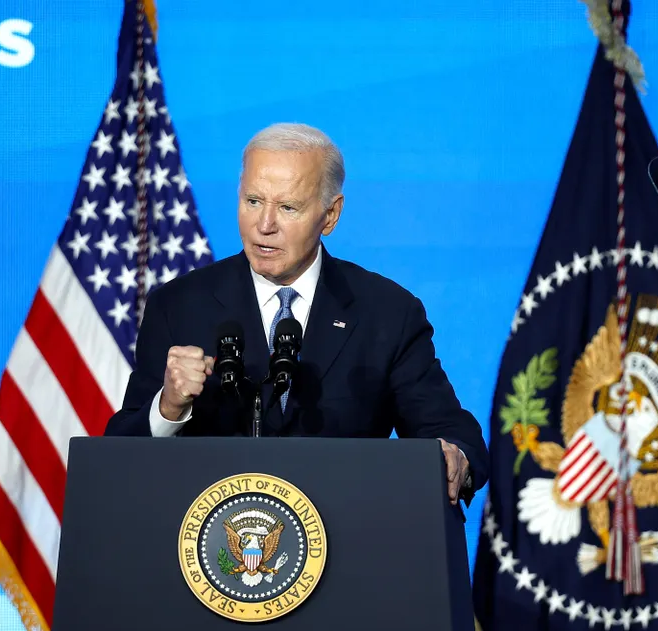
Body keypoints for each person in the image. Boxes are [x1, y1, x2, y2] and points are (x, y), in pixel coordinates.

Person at [103, 122, 487, 506]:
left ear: (331, 215)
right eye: (253, 201)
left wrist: (455, 456)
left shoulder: (386, 312)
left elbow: (451, 432)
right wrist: (168, 407)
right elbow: (116, 458)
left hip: (348, 546)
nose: (264, 225)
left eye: (288, 207)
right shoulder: (178, 306)